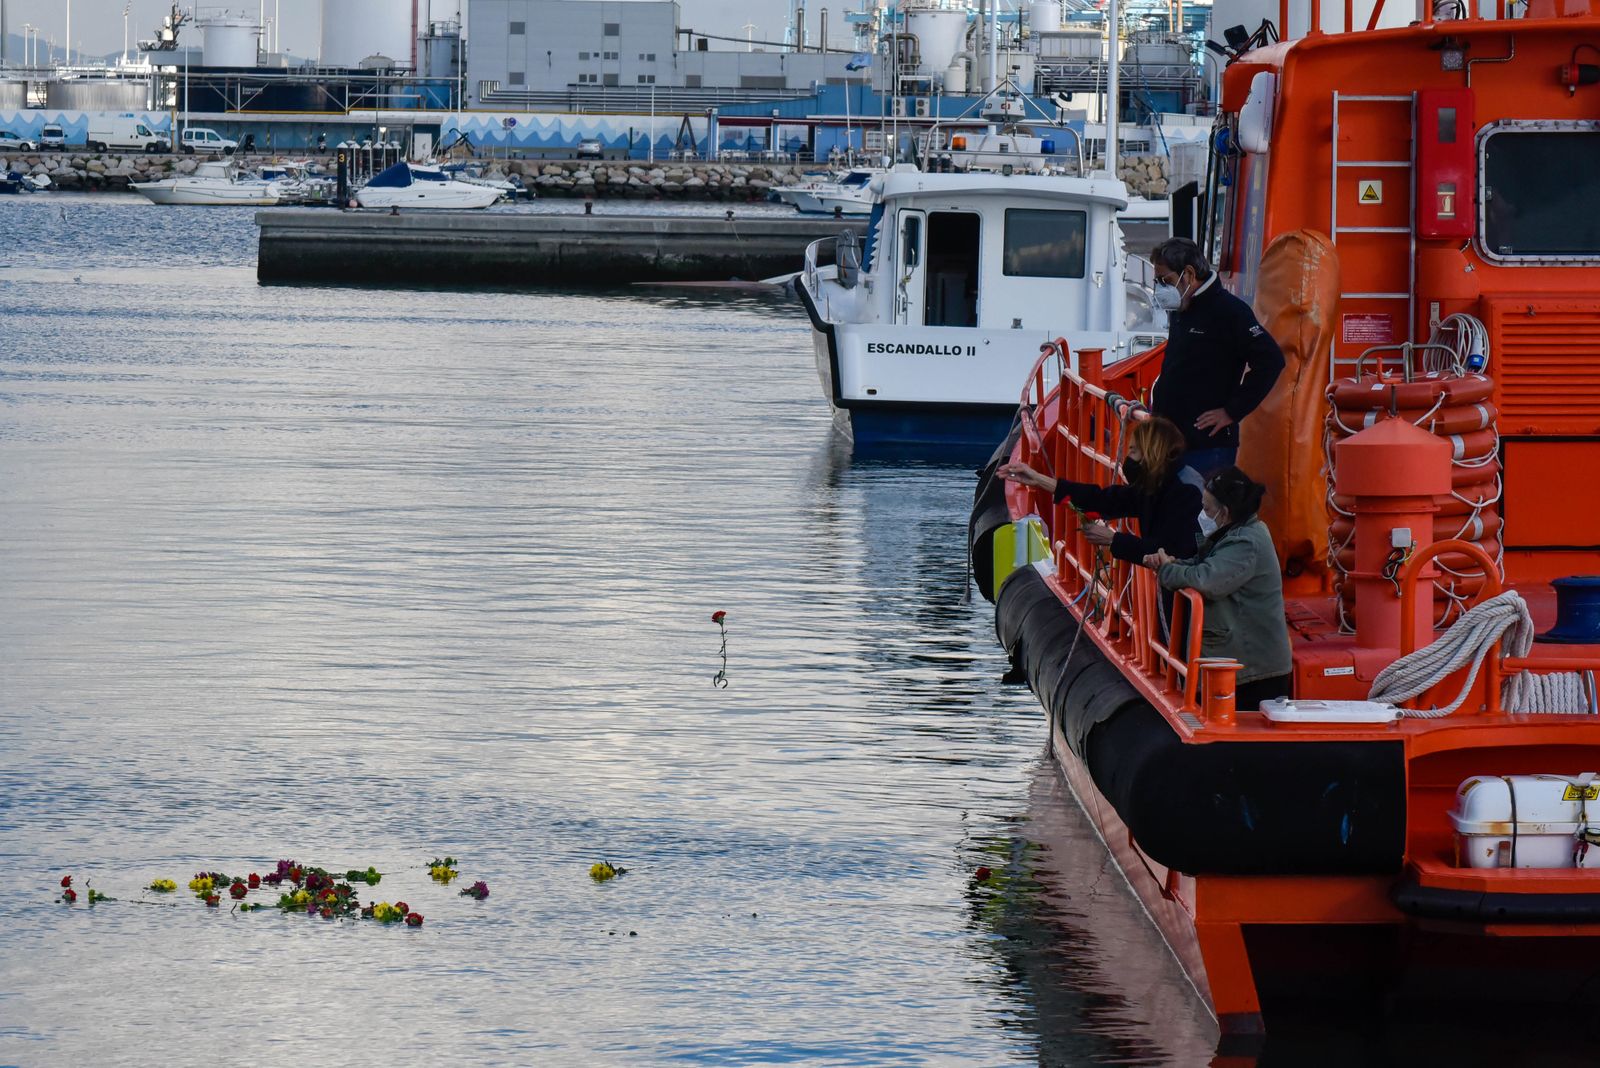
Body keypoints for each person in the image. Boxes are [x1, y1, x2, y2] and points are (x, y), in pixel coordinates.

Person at [1144, 466, 1292, 710]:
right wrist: (1171, 563)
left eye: (1207, 508)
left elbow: (1205, 579)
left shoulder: (1246, 542)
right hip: (1239, 663)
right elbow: (1200, 564)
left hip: (1252, 672)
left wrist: (1167, 570)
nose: (1202, 514)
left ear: (1224, 512)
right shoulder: (1231, 535)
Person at [1148, 237, 1285, 476]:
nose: (1160, 288)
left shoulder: (1229, 311)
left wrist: (1232, 411)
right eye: (1157, 281)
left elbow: (1271, 359)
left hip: (1206, 447)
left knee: (1200, 512)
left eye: (1165, 280)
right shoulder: (1182, 310)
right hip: (1169, 442)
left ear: (1188, 274)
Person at [998, 416, 1203, 567]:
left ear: (1151, 452)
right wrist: (1037, 479)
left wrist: (1113, 540)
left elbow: (1174, 550)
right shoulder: (1157, 484)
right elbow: (1102, 500)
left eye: (1133, 451)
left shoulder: (1185, 492)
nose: (1127, 458)